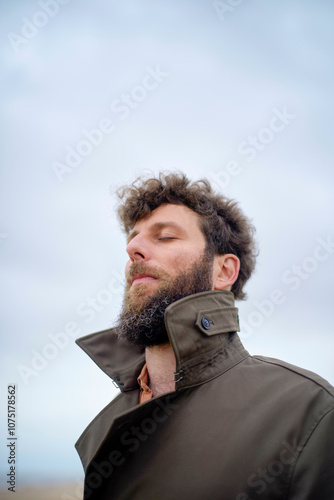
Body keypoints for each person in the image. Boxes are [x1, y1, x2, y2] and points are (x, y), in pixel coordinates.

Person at [75, 173, 334, 500]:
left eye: (165, 237)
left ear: (224, 271)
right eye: (133, 237)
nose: (132, 248)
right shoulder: (107, 425)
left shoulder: (309, 413)